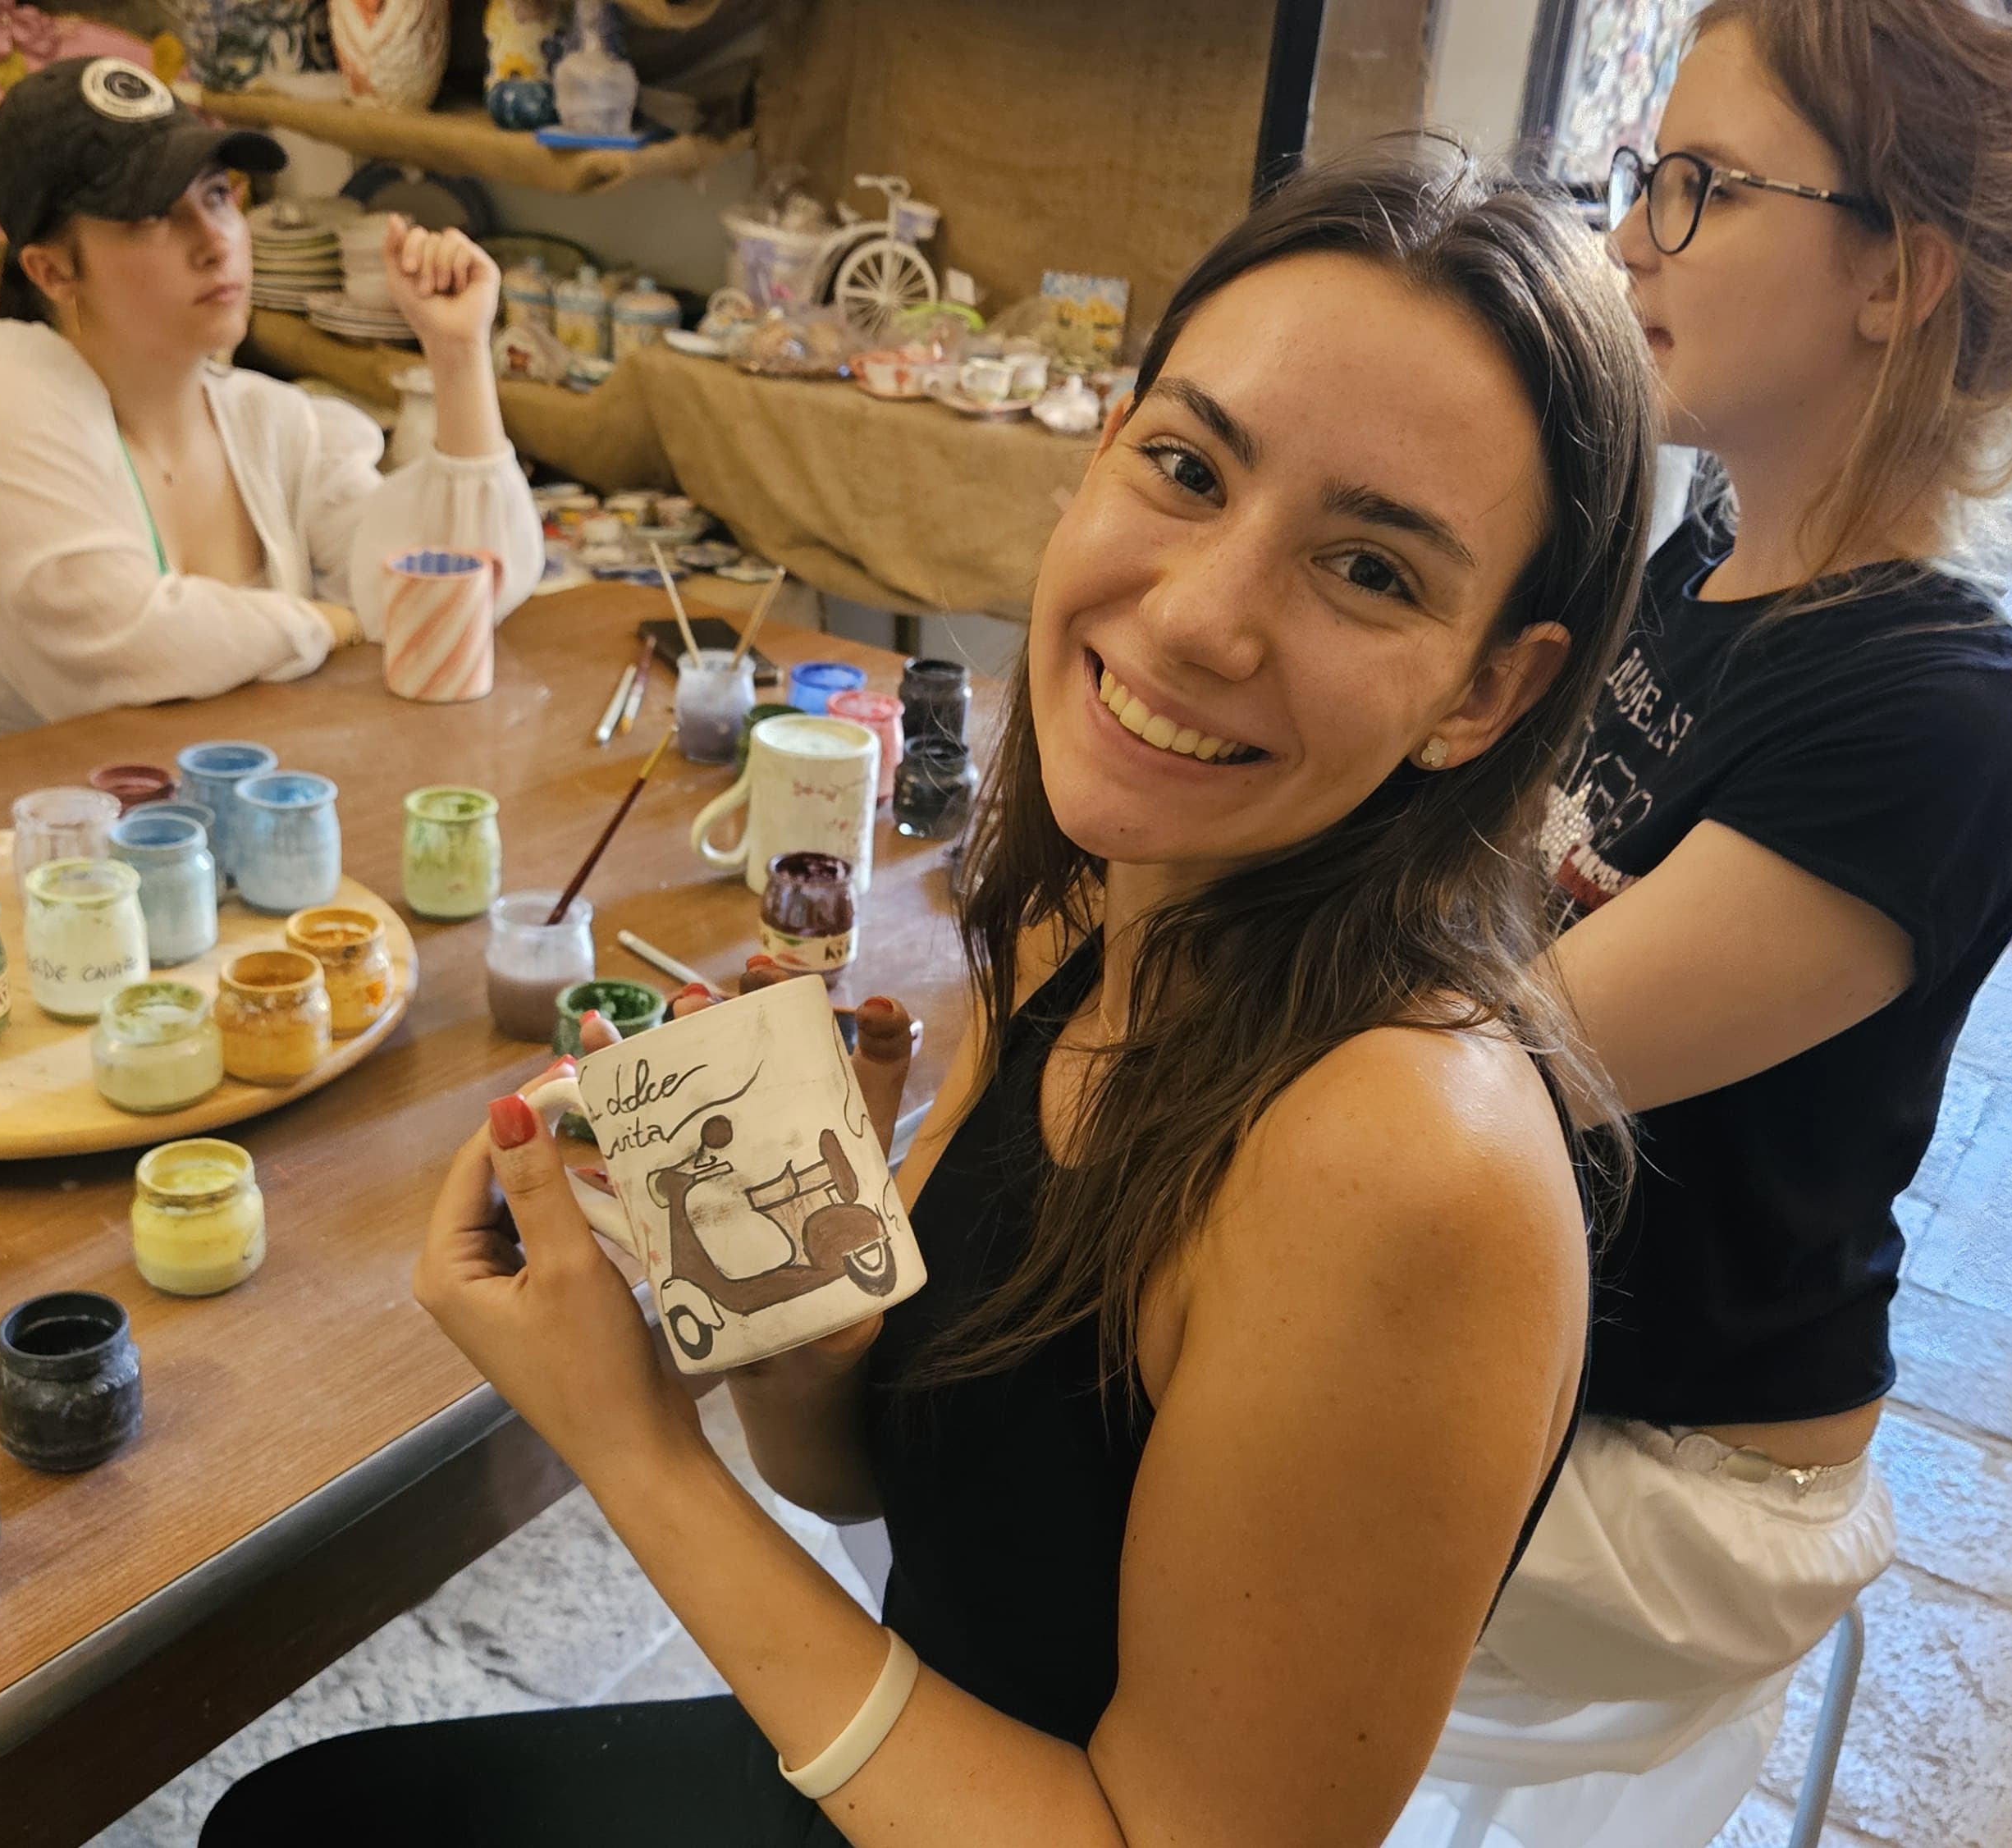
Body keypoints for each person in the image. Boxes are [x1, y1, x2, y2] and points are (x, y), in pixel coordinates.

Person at [202, 135, 1662, 1846]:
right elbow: (878, 1484)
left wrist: (635, 1450)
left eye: (1368, 568)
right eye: (1189, 468)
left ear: (1487, 689)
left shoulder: (1406, 1162)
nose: (1198, 616)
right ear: (1099, 449)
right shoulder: (1091, 909)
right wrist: (780, 1278)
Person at [1391, 3, 2012, 1842]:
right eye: (1642, 175)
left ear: (1892, 277)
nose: (1629, 235)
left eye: (1698, 186)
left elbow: (1487, 1075)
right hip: (1545, 1351)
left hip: (1672, 1483)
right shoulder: (1700, 555)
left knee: (1062, 1407)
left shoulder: (1936, 718)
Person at [0, 56, 541, 752]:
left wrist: (457, 355)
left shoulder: (275, 424)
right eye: (150, 218)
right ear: (51, 271)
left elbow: (450, 598)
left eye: (216, 197)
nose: (215, 243)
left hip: (219, 833)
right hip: (16, 841)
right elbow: (128, 656)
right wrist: (326, 623)